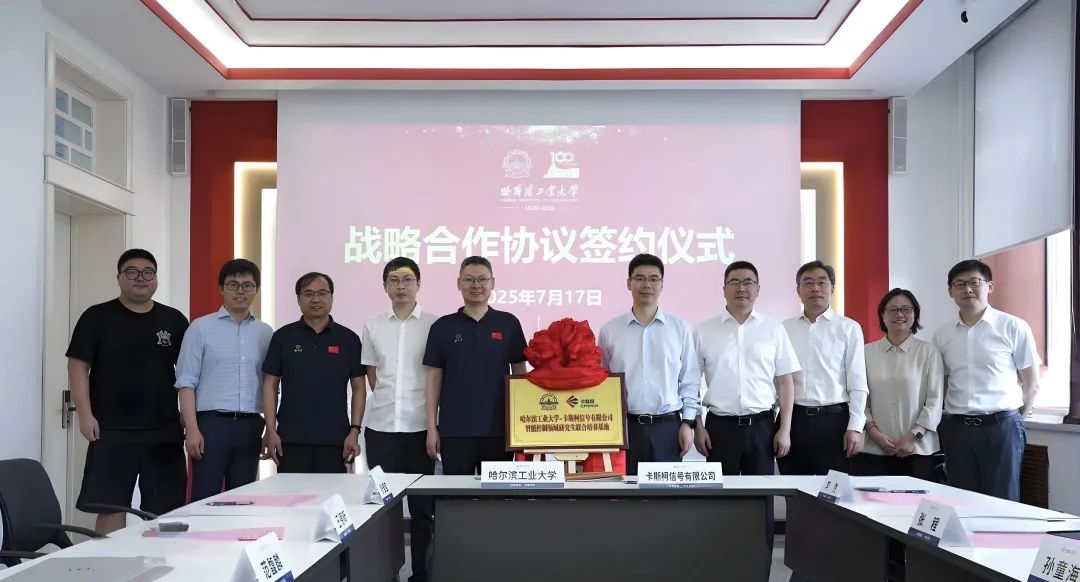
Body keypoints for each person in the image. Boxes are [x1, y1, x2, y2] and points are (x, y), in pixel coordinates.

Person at [67, 249, 189, 533]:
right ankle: (110, 561)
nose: (140, 278)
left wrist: (187, 415)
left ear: (156, 279)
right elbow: (77, 366)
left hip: (164, 429)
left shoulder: (173, 320)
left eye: (148, 272)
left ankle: (164, 561)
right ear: (119, 278)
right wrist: (85, 415)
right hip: (111, 429)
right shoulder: (97, 316)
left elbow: (188, 374)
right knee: (110, 505)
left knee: (166, 509)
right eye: (132, 272)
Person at [693, 260, 796, 552]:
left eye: (748, 282)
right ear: (724, 289)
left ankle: (759, 561)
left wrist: (784, 429)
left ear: (758, 289)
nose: (742, 288)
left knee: (761, 502)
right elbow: (690, 384)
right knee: (718, 500)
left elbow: (785, 383)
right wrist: (697, 426)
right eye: (735, 282)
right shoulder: (703, 331)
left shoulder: (773, 329)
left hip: (761, 428)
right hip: (719, 428)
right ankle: (719, 558)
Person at [934, 259, 1040, 500]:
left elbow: (1032, 384)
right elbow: (942, 383)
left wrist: (1015, 421)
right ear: (950, 291)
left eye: (974, 282)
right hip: (957, 428)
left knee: (1003, 500)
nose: (967, 289)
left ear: (990, 286)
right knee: (961, 499)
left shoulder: (1013, 326)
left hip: (1001, 426)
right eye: (959, 284)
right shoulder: (942, 335)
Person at [362, 257, 437, 582]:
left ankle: (420, 573)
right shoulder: (373, 325)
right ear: (385, 286)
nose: (401, 286)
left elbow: (437, 374)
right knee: (384, 509)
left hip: (420, 428)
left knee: (422, 510)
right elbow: (371, 373)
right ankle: (387, 573)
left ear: (418, 284)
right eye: (394, 280)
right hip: (381, 429)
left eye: (407, 279)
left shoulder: (435, 325)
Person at [175, 259, 273, 501]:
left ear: (256, 290)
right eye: (233, 285)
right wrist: (192, 429)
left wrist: (271, 429)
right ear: (221, 288)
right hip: (211, 425)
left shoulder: (265, 332)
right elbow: (186, 382)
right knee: (204, 497)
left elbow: (270, 385)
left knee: (243, 498)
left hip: (250, 425)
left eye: (247, 285)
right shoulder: (200, 328)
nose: (240, 291)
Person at [598, 253, 700, 476]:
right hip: (625, 429)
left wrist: (688, 423)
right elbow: (601, 380)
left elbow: (690, 380)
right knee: (625, 493)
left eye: (654, 279)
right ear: (629, 283)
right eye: (640, 278)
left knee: (665, 495)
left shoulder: (679, 328)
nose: (647, 284)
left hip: (668, 428)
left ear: (662, 284)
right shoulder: (610, 330)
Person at [423, 256, 527, 475]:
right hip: (455, 431)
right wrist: (432, 428)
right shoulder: (442, 327)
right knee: (457, 494)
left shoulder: (509, 323)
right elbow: (433, 379)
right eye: (469, 279)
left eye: (482, 279)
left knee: (496, 495)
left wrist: (521, 425)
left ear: (493, 283)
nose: (476, 285)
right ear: (459, 283)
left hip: (500, 431)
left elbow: (520, 377)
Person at [261, 272, 365, 474]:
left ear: (332, 297)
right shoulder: (283, 337)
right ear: (298, 299)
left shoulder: (349, 339)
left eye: (322, 293)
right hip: (290, 439)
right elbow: (270, 384)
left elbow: (359, 388)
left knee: (333, 494)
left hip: (336, 440)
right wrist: (271, 429)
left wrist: (354, 431)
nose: (316, 299)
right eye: (308, 294)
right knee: (292, 494)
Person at [780, 260, 868, 476]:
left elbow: (858, 382)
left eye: (821, 282)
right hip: (795, 420)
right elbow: (778, 380)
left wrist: (855, 426)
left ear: (832, 289)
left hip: (834, 422)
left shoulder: (849, 328)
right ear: (798, 290)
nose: (815, 288)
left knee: (831, 490)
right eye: (808, 283)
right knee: (794, 487)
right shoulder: (784, 328)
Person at [854, 288, 943, 481]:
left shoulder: (928, 352)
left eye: (906, 309)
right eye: (892, 310)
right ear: (882, 315)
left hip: (919, 450)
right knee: (873, 500)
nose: (899, 314)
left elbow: (935, 401)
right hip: (874, 450)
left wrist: (913, 436)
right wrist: (874, 433)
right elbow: (859, 398)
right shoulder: (866, 352)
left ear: (915, 314)